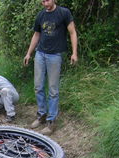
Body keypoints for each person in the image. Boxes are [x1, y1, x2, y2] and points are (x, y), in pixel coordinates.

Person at [23, 0, 78, 134]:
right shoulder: (41, 15)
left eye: (47, 0)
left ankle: (51, 121)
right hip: (40, 54)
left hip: (55, 55)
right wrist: (29, 53)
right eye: (43, 1)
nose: (45, 3)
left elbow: (72, 32)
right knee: (38, 87)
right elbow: (36, 35)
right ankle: (41, 115)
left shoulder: (64, 13)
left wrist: (74, 53)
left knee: (53, 90)